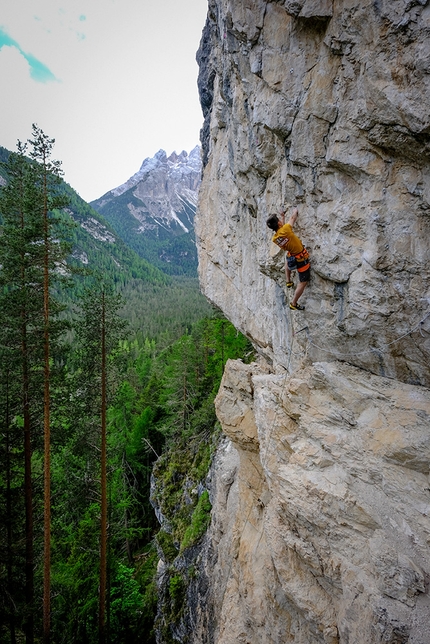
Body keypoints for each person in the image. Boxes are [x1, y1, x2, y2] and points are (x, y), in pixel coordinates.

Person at [266, 206, 310, 310]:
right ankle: (293, 303)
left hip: (291, 256)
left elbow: (283, 230)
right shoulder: (285, 229)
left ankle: (288, 280)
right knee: (303, 282)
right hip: (300, 258)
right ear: (279, 223)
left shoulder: (275, 238)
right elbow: (293, 218)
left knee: (287, 258)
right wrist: (295, 210)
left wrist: (282, 216)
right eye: (280, 221)